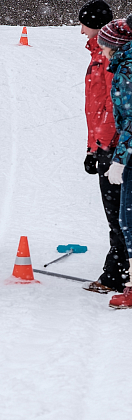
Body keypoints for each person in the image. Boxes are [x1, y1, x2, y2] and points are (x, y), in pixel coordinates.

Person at [78, 0, 130, 294]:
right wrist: (91, 148)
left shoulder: (111, 58)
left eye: (84, 24)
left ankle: (117, 274)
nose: (81, 30)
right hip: (104, 145)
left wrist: (107, 149)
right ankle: (119, 270)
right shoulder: (98, 55)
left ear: (97, 27)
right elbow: (94, 109)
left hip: (115, 148)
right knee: (116, 214)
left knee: (119, 214)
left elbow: (114, 108)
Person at [96, 16, 132, 308]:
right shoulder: (122, 65)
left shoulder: (127, 70)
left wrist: (119, 160)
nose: (103, 53)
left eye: (105, 47)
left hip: (130, 154)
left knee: (128, 221)